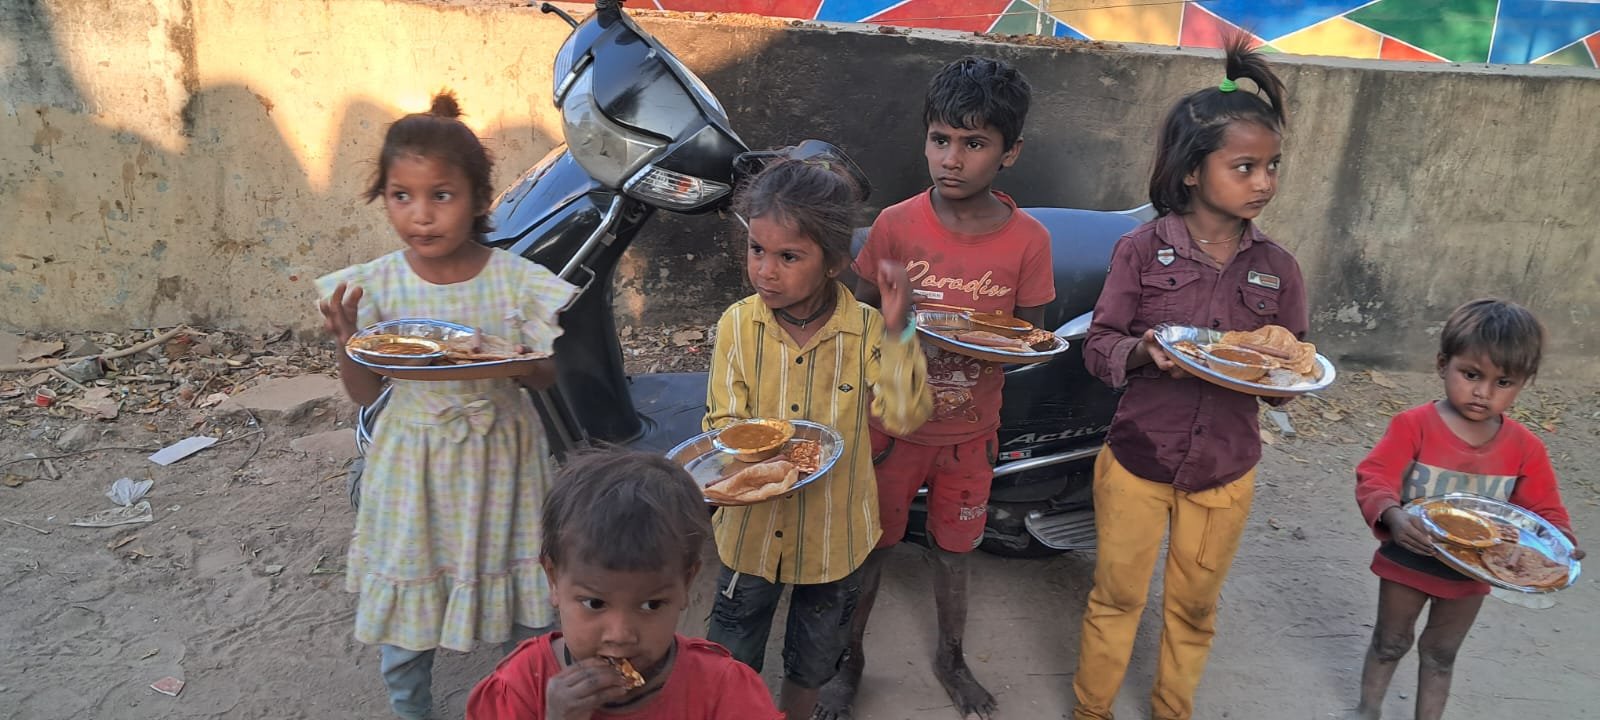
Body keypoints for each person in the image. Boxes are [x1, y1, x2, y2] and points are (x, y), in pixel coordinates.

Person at [314, 91, 575, 720]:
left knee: (526, 603)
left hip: (503, 457)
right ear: (385, 197)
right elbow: (367, 391)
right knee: (411, 602)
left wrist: (505, 359)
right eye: (402, 196)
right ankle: (411, 708)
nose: (421, 216)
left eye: (442, 195)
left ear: (479, 199)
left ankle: (533, 702)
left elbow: (542, 376)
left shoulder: (514, 280)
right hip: (414, 463)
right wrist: (350, 344)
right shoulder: (374, 285)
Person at [1072, 38, 1305, 720]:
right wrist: (1144, 352)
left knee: (1195, 607)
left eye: (1271, 167)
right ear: (1193, 172)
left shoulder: (1279, 269)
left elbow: (1286, 366)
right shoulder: (1142, 250)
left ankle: (1174, 708)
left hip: (1225, 470)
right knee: (1116, 597)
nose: (1263, 182)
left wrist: (1285, 378)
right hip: (1139, 457)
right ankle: (1091, 710)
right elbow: (1100, 346)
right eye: (1245, 167)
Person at [817, 55, 1052, 720]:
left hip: (969, 435)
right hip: (890, 426)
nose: (952, 159)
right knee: (873, 548)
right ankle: (847, 661)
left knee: (955, 553)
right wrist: (897, 329)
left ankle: (952, 658)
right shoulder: (895, 224)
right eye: (940, 139)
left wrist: (971, 345)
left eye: (974, 144)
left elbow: (1028, 343)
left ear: (1010, 153)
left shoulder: (1028, 241)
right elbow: (860, 319)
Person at [703, 156, 932, 720]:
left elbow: (904, 417)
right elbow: (720, 421)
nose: (766, 272)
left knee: (813, 658)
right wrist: (752, 456)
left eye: (788, 257)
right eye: (757, 250)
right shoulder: (737, 324)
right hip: (750, 537)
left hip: (835, 537)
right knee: (731, 655)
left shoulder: (868, 332)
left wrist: (902, 329)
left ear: (833, 263)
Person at [1351, 299, 1583, 720]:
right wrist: (1392, 514)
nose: (1483, 392)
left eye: (1503, 382)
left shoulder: (1526, 449)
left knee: (1441, 654)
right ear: (1443, 364)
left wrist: (1560, 545)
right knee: (1390, 641)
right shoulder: (1413, 425)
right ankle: (1367, 710)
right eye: (1471, 375)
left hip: (1473, 573)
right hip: (1409, 559)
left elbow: (1544, 510)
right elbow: (1375, 475)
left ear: (1524, 383)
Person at [465, 451, 783, 719]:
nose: (620, 635)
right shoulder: (521, 687)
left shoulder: (723, 691)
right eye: (594, 603)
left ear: (686, 582)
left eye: (651, 604)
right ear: (553, 579)